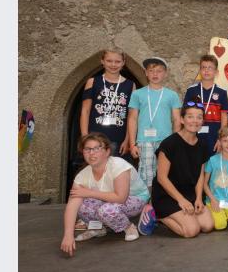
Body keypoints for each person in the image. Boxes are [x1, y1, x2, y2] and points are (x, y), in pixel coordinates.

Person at [60, 133, 149, 256]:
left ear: (107, 151)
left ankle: (128, 227)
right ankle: (97, 228)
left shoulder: (118, 165)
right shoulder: (83, 175)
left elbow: (120, 197)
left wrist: (89, 193)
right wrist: (67, 236)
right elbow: (72, 206)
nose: (92, 153)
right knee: (81, 205)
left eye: (97, 148)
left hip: (135, 198)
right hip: (108, 199)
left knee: (106, 210)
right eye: (87, 149)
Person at [151, 103, 215, 238]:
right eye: (190, 117)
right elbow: (161, 178)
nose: (195, 121)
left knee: (208, 226)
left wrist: (198, 198)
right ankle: (156, 215)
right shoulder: (169, 143)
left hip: (190, 193)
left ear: (202, 121)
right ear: (182, 119)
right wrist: (181, 200)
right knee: (192, 231)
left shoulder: (202, 145)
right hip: (168, 195)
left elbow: (200, 175)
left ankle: (186, 215)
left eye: (199, 117)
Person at [127, 57, 181, 191]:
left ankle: (161, 204)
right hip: (144, 141)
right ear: (145, 72)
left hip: (166, 141)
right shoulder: (137, 94)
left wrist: (175, 142)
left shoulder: (172, 95)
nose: (155, 74)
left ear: (165, 73)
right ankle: (148, 205)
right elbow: (132, 119)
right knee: (146, 175)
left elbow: (176, 120)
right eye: (151, 71)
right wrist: (132, 143)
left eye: (159, 71)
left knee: (164, 173)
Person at [80, 47, 136, 158]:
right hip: (95, 138)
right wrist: (85, 138)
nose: (113, 65)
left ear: (123, 63)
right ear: (102, 61)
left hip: (118, 139)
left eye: (117, 61)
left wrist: (127, 140)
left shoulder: (131, 85)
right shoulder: (92, 82)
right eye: (109, 61)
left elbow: (131, 115)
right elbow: (85, 111)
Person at [183, 54, 228, 156]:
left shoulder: (222, 92)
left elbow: (224, 118)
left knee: (212, 169)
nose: (206, 71)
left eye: (210, 68)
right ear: (199, 70)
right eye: (203, 67)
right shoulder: (191, 90)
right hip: (193, 136)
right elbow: (185, 115)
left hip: (214, 137)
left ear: (216, 72)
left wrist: (221, 139)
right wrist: (186, 137)